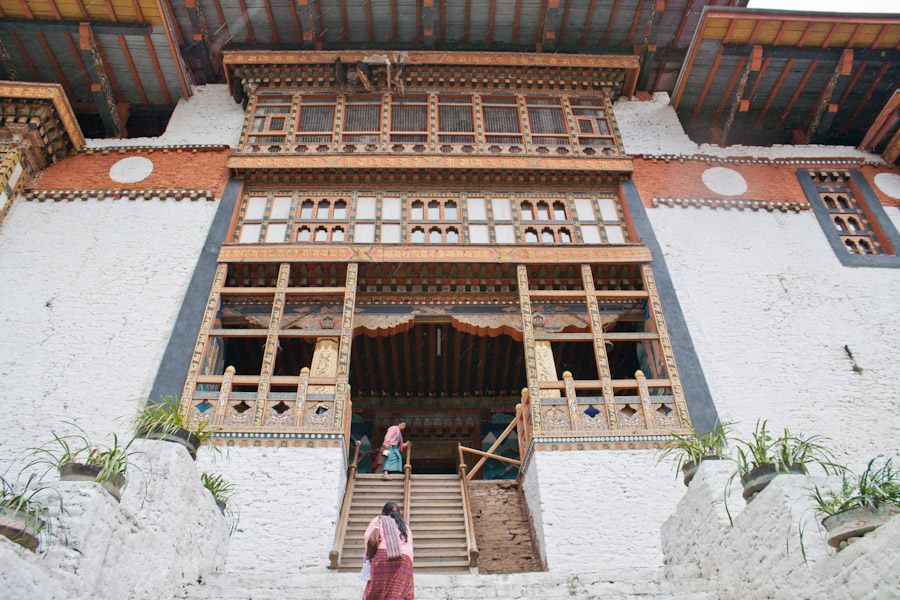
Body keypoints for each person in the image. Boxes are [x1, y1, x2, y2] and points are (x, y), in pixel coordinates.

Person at [362, 502, 414, 600]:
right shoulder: (405, 526)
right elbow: (410, 548)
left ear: (384, 512)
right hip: (404, 561)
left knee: (375, 591)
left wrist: (368, 559)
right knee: (398, 593)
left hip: (382, 558)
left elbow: (369, 538)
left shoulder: (379, 520)